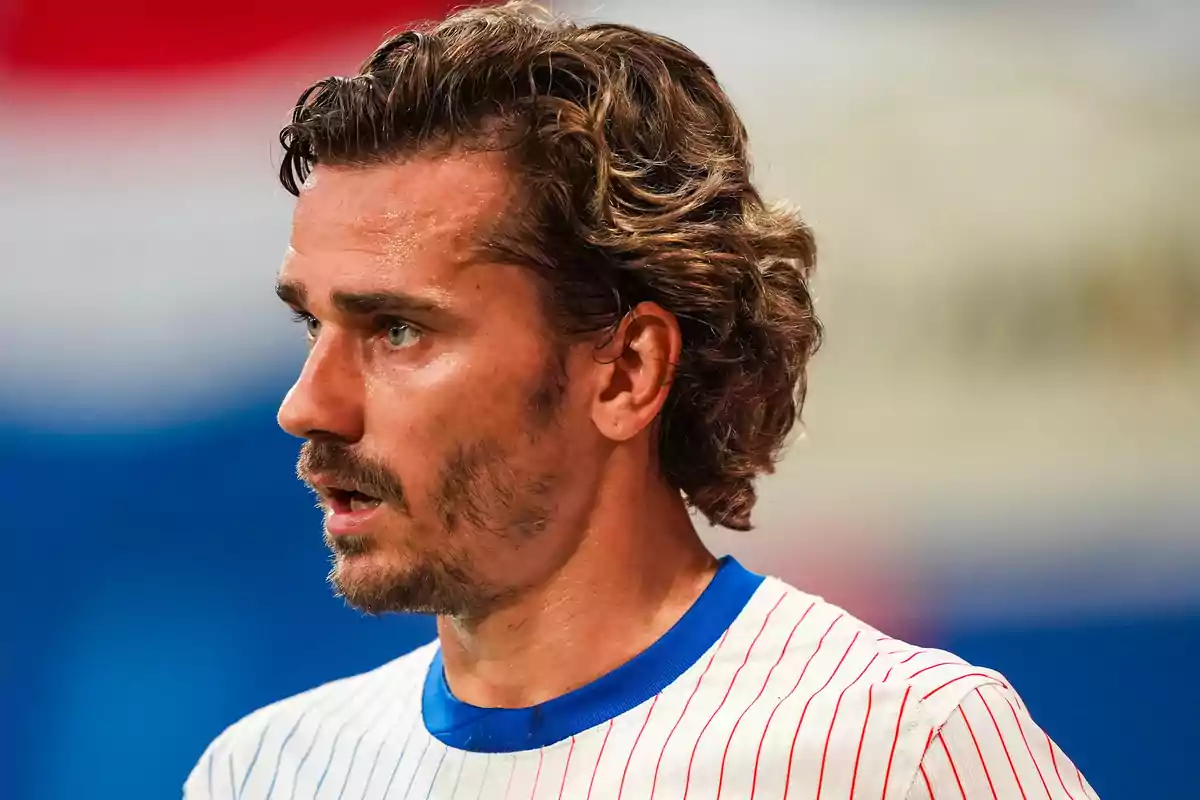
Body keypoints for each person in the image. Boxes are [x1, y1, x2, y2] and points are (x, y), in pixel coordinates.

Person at [185, 3, 1097, 798]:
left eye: (397, 331)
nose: (308, 407)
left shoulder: (905, 749)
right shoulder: (261, 773)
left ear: (626, 372)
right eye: (314, 328)